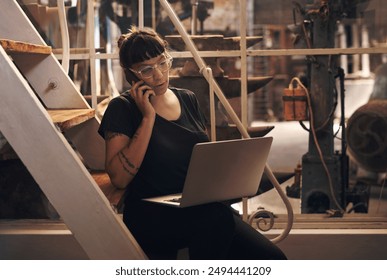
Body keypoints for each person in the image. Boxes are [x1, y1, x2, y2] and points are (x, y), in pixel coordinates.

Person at [98, 26, 287, 260]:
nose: (158, 75)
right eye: (146, 70)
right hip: (151, 214)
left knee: (273, 259)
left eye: (162, 63)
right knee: (217, 221)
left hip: (197, 205)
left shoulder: (187, 99)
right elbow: (119, 177)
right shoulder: (123, 108)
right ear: (131, 75)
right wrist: (148, 117)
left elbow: (203, 158)